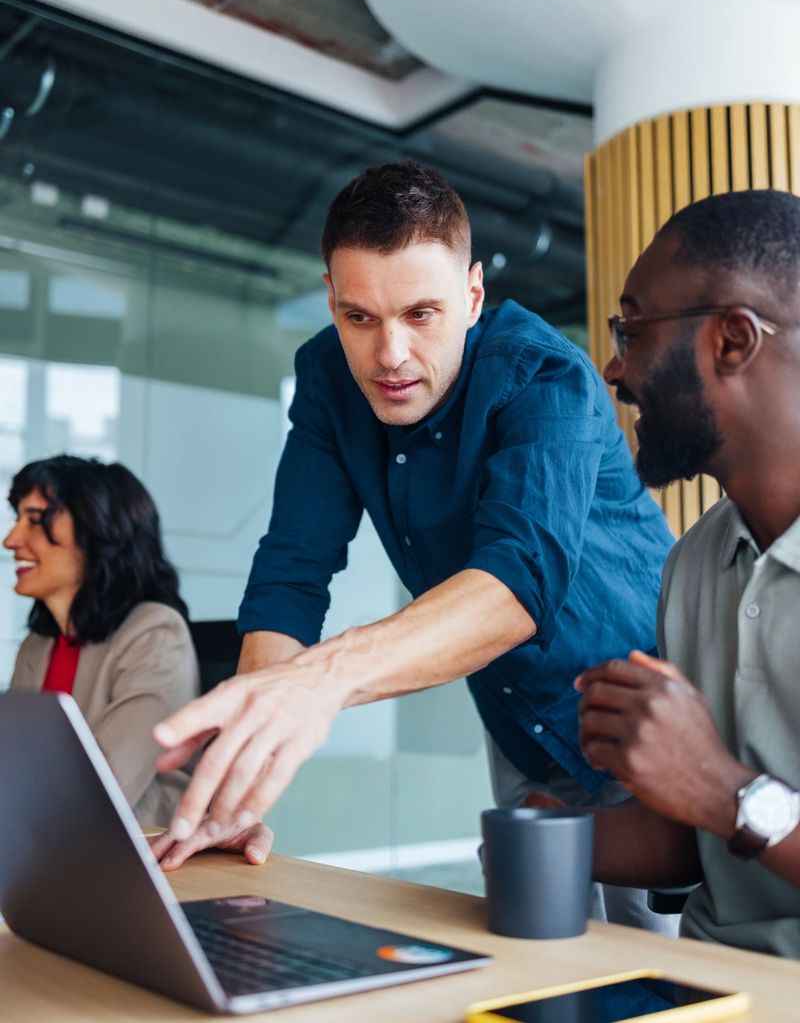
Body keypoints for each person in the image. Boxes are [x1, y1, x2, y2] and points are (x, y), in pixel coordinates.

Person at [152, 161, 674, 926]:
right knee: (543, 966)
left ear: (472, 295)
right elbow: (292, 572)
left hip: (644, 718)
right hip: (519, 727)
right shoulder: (330, 380)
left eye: (421, 314)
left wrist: (319, 681)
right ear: (331, 298)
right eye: (359, 317)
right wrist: (244, 775)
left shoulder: (544, 374)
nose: (389, 353)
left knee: (654, 969)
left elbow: (517, 579)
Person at [574, 188, 800, 958]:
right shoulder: (693, 560)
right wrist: (557, 831)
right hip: (704, 981)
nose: (614, 366)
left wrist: (719, 786)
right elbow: (692, 838)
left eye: (630, 328)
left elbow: (719, 799)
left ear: (733, 340)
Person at [5, 455, 204, 829]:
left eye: (34, 520)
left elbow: (101, 791)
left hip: (140, 863)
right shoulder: (38, 645)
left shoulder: (155, 633)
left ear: (97, 530)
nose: (11, 539)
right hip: (47, 850)